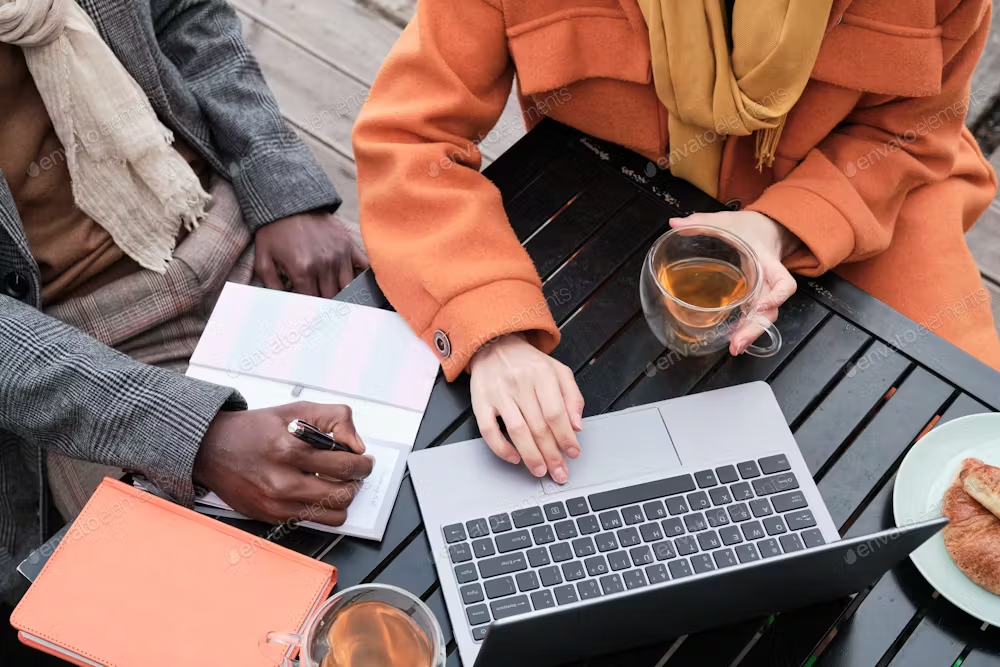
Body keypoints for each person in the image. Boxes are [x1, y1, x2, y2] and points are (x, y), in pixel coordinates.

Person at [353, 0, 1000, 483]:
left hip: (856, 202)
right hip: (608, 200)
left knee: (967, 449)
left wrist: (779, 225)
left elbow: (914, 128)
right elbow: (411, 141)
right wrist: (492, 331)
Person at [0, 0, 371, 605]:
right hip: (77, 356)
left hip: (230, 226)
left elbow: (186, 16)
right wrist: (192, 434)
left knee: (469, 440)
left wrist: (277, 185)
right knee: (229, 609)